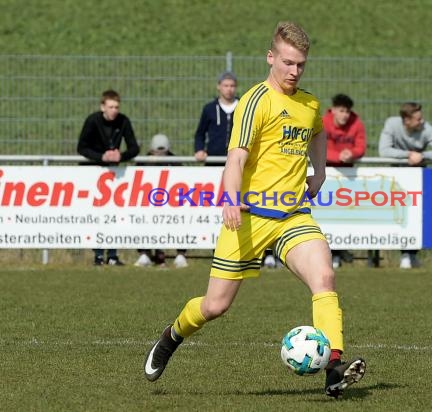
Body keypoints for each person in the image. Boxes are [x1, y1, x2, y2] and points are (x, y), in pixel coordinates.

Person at [144, 21, 366, 399]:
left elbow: (317, 132)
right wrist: (230, 198)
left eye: (301, 65)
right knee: (215, 306)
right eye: (288, 63)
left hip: (293, 216)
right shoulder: (254, 101)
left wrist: (322, 171)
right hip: (248, 216)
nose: (294, 72)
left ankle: (333, 367)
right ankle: (172, 336)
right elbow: (236, 159)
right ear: (271, 57)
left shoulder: (309, 104)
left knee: (324, 278)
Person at [379, 102, 432, 269]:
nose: (422, 120)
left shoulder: (426, 128)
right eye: (418, 118)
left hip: (420, 179)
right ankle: (405, 254)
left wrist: (423, 156)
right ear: (406, 120)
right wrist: (408, 155)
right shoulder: (392, 124)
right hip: (398, 180)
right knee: (402, 216)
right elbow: (384, 151)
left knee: (421, 217)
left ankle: (418, 254)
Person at [77, 89, 140, 266]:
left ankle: (112, 255)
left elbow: (134, 148)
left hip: (114, 175)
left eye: (116, 107)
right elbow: (82, 147)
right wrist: (101, 157)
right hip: (93, 172)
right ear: (102, 106)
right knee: (97, 215)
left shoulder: (123, 121)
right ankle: (98, 255)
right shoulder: (92, 120)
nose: (114, 110)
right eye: (111, 106)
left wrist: (121, 156)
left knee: (113, 215)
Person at [323, 93, 366, 268]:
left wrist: (352, 154)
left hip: (347, 176)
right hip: (326, 173)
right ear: (333, 110)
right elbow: (316, 147)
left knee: (343, 214)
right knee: (325, 215)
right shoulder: (323, 122)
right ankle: (327, 252)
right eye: (341, 111)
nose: (345, 115)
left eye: (347, 111)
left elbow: (361, 146)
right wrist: (338, 156)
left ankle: (339, 252)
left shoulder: (356, 123)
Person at [134, 134, 188, 268]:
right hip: (148, 203)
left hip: (171, 202)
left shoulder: (174, 161)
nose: (160, 154)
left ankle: (180, 254)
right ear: (151, 150)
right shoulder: (143, 161)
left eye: (163, 151)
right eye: (157, 151)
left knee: (180, 221)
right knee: (144, 223)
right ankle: (145, 253)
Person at [194, 71, 239, 166]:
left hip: (237, 160)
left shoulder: (243, 106)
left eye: (232, 86)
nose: (229, 89)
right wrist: (199, 149)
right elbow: (200, 134)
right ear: (219, 86)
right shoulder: (209, 108)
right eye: (225, 86)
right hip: (213, 160)